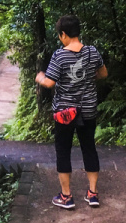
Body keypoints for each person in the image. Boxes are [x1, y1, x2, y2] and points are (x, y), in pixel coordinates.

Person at [34, 15, 108, 209]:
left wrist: (40, 77)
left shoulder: (60, 56)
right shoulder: (92, 52)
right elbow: (103, 73)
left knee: (63, 151)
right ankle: (93, 194)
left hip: (65, 112)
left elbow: (50, 82)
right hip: (88, 109)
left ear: (63, 34)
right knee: (89, 148)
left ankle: (66, 197)